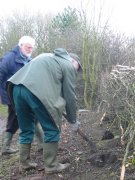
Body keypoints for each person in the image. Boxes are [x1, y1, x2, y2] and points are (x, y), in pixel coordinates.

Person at [6, 48, 82, 173]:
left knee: (26, 129)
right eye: (77, 67)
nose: (76, 70)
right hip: (36, 92)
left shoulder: (47, 56)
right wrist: (73, 120)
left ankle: (24, 163)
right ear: (73, 61)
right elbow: (69, 95)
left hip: (16, 89)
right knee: (52, 129)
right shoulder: (68, 65)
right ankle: (51, 166)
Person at [0, 36, 43, 155]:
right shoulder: (9, 58)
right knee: (22, 119)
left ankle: (6, 147)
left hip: (23, 95)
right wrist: (4, 96)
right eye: (28, 47)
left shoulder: (28, 59)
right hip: (11, 95)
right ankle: (41, 144)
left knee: (23, 119)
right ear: (20, 46)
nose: (30, 49)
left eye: (32, 48)